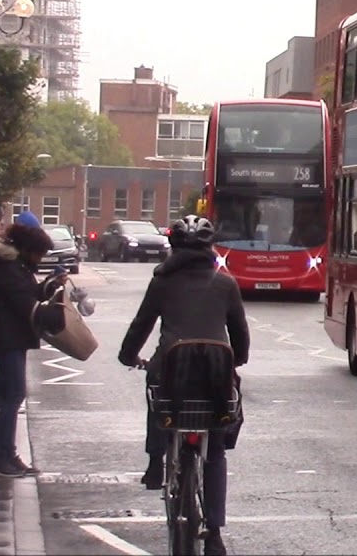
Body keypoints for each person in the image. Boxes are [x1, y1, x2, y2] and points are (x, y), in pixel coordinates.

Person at [118, 215, 249, 556]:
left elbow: (141, 324)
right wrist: (236, 361)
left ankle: (154, 461)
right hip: (214, 380)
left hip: (173, 375)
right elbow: (241, 337)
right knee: (215, 451)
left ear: (173, 247)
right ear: (209, 248)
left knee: (156, 393)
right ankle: (215, 531)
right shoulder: (226, 283)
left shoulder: (162, 281)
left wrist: (128, 356)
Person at [0, 222, 64, 477]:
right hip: (7, 338)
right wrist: (53, 316)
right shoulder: (8, 269)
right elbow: (26, 304)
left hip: (10, 337)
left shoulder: (13, 265)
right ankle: (1, 456)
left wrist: (50, 285)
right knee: (11, 396)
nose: (40, 258)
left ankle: (6, 453)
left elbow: (30, 292)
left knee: (9, 396)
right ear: (27, 249)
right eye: (39, 253)